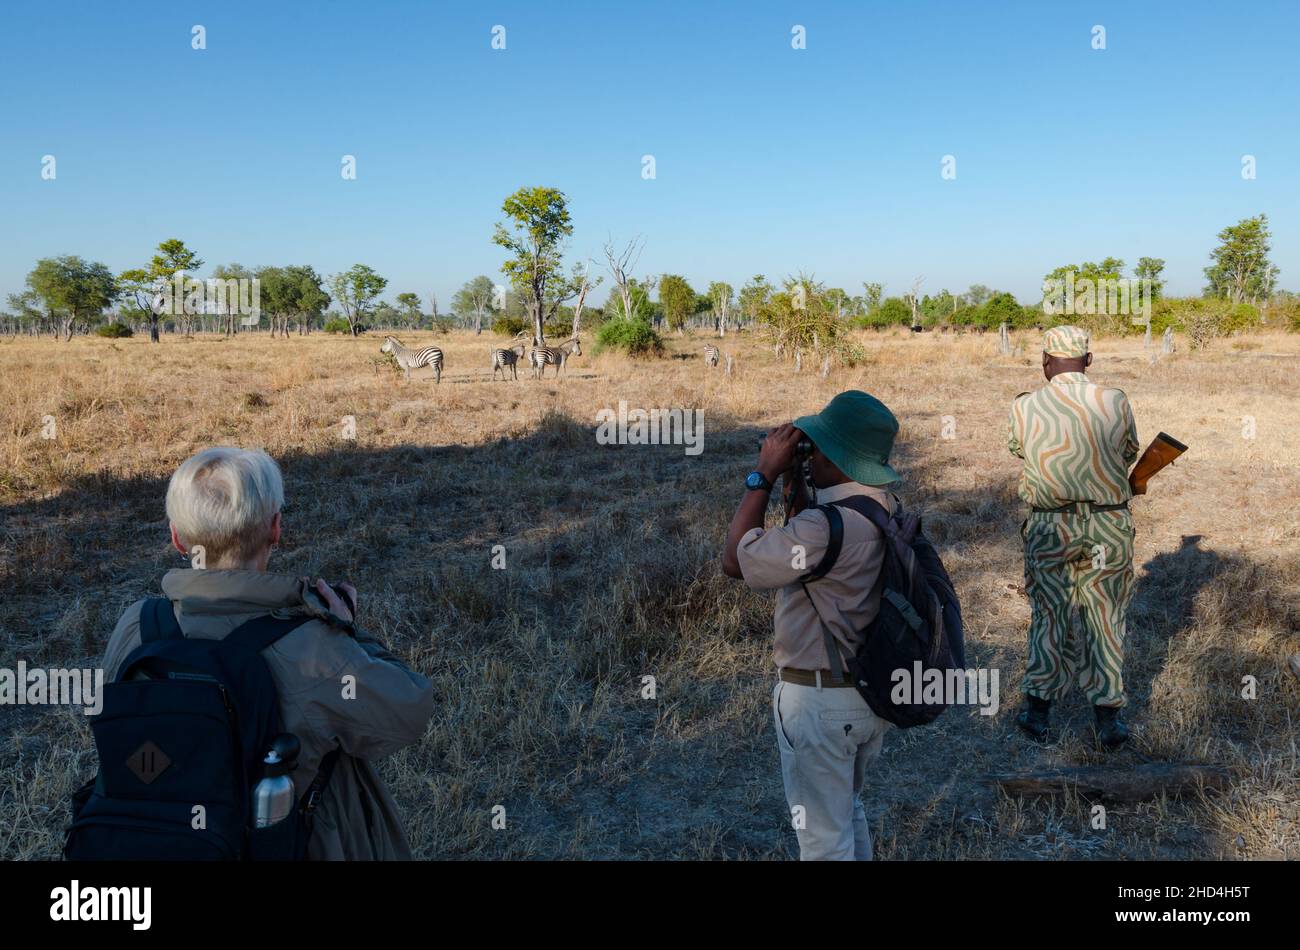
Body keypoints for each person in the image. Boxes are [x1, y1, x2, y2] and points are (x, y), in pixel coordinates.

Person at [101, 446, 437, 859]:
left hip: (159, 841)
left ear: (176, 537)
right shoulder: (313, 646)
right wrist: (347, 631)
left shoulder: (138, 626)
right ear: (275, 528)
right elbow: (411, 709)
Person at [721, 391, 901, 860]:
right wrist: (796, 486)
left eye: (817, 447)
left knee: (823, 845)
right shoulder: (885, 508)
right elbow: (810, 548)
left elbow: (736, 562)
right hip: (867, 694)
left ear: (836, 456)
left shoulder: (824, 527)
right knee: (846, 812)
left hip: (819, 704)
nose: (810, 454)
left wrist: (761, 476)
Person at [1008, 326, 1139, 748]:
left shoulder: (1025, 406)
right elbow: (1129, 450)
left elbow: (1018, 449)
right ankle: (1108, 721)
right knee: (1105, 617)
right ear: (1089, 360)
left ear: (1045, 361)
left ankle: (1037, 713)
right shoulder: (1115, 400)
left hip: (1050, 526)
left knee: (1050, 614)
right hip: (1107, 526)